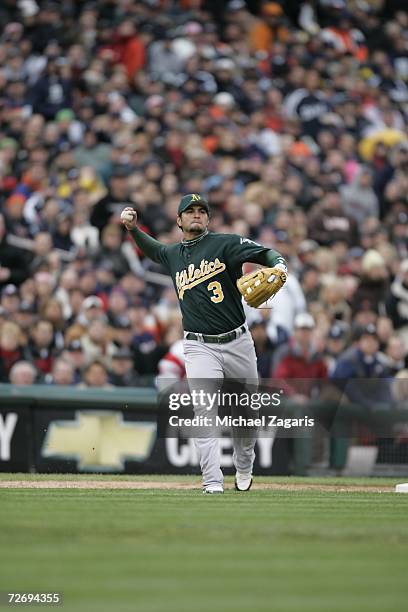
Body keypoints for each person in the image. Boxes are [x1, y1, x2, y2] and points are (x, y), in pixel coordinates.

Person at [121, 193, 288, 494]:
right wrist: (133, 230)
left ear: (208, 219)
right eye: (190, 211)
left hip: (238, 340)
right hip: (199, 346)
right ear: (179, 220)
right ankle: (212, 481)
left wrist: (280, 266)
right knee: (204, 413)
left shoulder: (226, 243)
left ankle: (245, 466)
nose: (196, 215)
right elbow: (153, 249)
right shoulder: (172, 255)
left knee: (248, 414)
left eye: (201, 211)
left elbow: (266, 253)